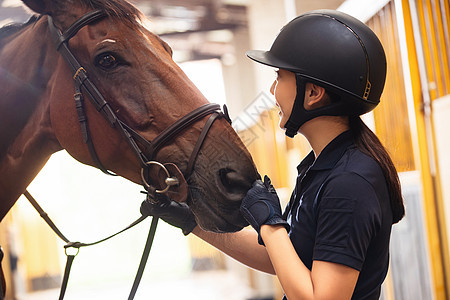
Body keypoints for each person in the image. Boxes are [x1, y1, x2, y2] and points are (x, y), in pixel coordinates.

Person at [141, 9, 405, 300]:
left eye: (279, 76)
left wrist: (270, 224)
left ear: (313, 93)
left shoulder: (350, 183)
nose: (272, 89)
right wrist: (193, 222)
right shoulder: (322, 168)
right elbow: (283, 262)